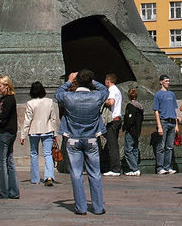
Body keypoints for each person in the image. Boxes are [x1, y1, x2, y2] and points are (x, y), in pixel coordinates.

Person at [55, 69, 109, 216]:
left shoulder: (68, 97)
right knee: (95, 173)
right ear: (91, 81)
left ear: (77, 81)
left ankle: (81, 207)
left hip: (73, 139)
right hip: (91, 139)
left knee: (76, 174)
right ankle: (98, 207)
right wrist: (91, 81)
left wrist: (69, 81)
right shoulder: (97, 96)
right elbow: (105, 89)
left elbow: (57, 93)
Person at [20, 81, 59, 186]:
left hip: (34, 131)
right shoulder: (49, 101)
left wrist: (23, 135)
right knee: (47, 154)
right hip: (48, 130)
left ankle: (35, 178)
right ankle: (49, 176)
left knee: (34, 154)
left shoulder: (30, 103)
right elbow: (53, 119)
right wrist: (55, 132)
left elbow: (27, 120)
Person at [153, 74, 178, 175]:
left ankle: (168, 166)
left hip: (172, 121)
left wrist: (176, 124)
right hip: (164, 121)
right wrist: (159, 126)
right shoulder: (158, 95)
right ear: (161, 82)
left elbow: (174, 109)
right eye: (166, 81)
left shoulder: (172, 94)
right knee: (161, 146)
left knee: (169, 146)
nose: (168, 83)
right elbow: (156, 111)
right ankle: (160, 167)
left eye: (168, 81)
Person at [101, 73, 123, 177]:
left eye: (105, 80)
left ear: (108, 81)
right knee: (112, 144)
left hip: (112, 120)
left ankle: (115, 169)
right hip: (117, 119)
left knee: (112, 145)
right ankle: (114, 167)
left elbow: (111, 102)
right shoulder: (117, 89)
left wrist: (102, 101)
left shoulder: (112, 90)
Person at [122, 87, 144, 176]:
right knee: (135, 149)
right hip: (137, 131)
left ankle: (134, 168)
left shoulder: (130, 106)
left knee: (128, 150)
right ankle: (135, 168)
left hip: (131, 131)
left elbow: (130, 119)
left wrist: (125, 126)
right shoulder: (140, 107)